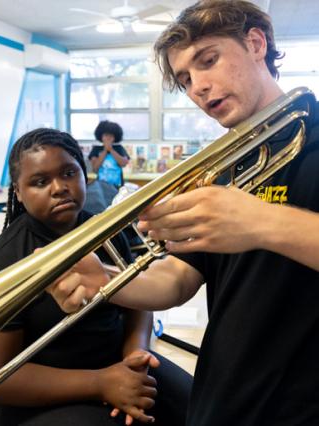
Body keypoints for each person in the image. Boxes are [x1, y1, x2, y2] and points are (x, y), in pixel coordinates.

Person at [50, 1, 319, 425]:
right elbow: (178, 279)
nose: (199, 88)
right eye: (186, 79)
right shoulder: (226, 165)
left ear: (255, 43)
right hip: (223, 394)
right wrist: (107, 281)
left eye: (208, 61)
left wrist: (262, 222)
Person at [0, 128, 192, 426]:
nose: (59, 187)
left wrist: (135, 352)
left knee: (203, 405)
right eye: (39, 182)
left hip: (116, 366)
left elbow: (138, 300)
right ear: (19, 193)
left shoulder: (104, 231)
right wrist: (100, 383)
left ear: (83, 175)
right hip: (41, 394)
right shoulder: (3, 261)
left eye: (68, 173)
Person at [89, 120, 129, 187]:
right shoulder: (96, 149)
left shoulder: (119, 148)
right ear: (101, 137)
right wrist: (105, 150)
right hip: (101, 186)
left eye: (111, 136)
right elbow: (95, 168)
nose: (108, 138)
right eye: (106, 135)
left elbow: (124, 163)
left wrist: (111, 150)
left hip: (118, 185)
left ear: (115, 137)